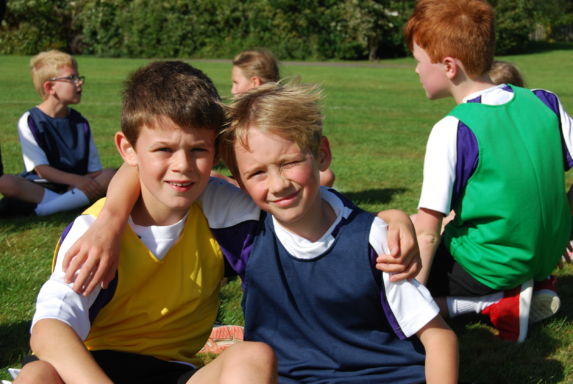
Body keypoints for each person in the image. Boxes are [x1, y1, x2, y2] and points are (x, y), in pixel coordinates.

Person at [58, 81, 452, 383]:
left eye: (290, 162)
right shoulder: (245, 223)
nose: (277, 184)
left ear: (323, 155)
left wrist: (392, 217)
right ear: (238, 182)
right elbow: (147, 165)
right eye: (258, 173)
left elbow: (439, 337)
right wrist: (111, 216)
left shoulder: (373, 239)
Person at [13, 61, 277, 384]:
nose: (183, 166)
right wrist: (111, 217)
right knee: (36, 375)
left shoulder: (221, 208)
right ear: (128, 148)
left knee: (254, 357)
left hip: (175, 371)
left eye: (198, 150)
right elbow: (48, 330)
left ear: (216, 149)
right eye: (164, 149)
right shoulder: (94, 230)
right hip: (92, 369)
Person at [401, 0, 573, 342]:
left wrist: (409, 300)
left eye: (419, 62)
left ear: (449, 66)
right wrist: (565, 224)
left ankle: (493, 304)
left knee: (387, 266)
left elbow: (427, 233)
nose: (417, 71)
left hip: (488, 267)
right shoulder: (544, 100)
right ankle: (536, 283)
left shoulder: (453, 128)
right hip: (544, 253)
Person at [0, 50, 115, 217]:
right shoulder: (31, 120)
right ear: (50, 87)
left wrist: (81, 181)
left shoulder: (80, 122)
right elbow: (41, 170)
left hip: (79, 184)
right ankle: (69, 204)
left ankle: (48, 208)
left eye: (79, 78)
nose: (79, 83)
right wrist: (75, 181)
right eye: (71, 78)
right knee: (5, 182)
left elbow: (94, 170)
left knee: (111, 175)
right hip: (44, 186)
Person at [223, 48, 336, 188]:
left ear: (255, 82)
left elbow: (326, 175)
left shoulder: (277, 115)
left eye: (236, 82)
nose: (233, 90)